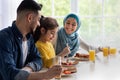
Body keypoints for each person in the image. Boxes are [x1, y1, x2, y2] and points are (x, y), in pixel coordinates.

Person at [0, 0, 62, 80]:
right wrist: (44, 75)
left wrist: (28, 68)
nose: (39, 24)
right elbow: (10, 74)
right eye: (38, 19)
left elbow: (38, 59)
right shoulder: (3, 38)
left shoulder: (29, 38)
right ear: (30, 18)